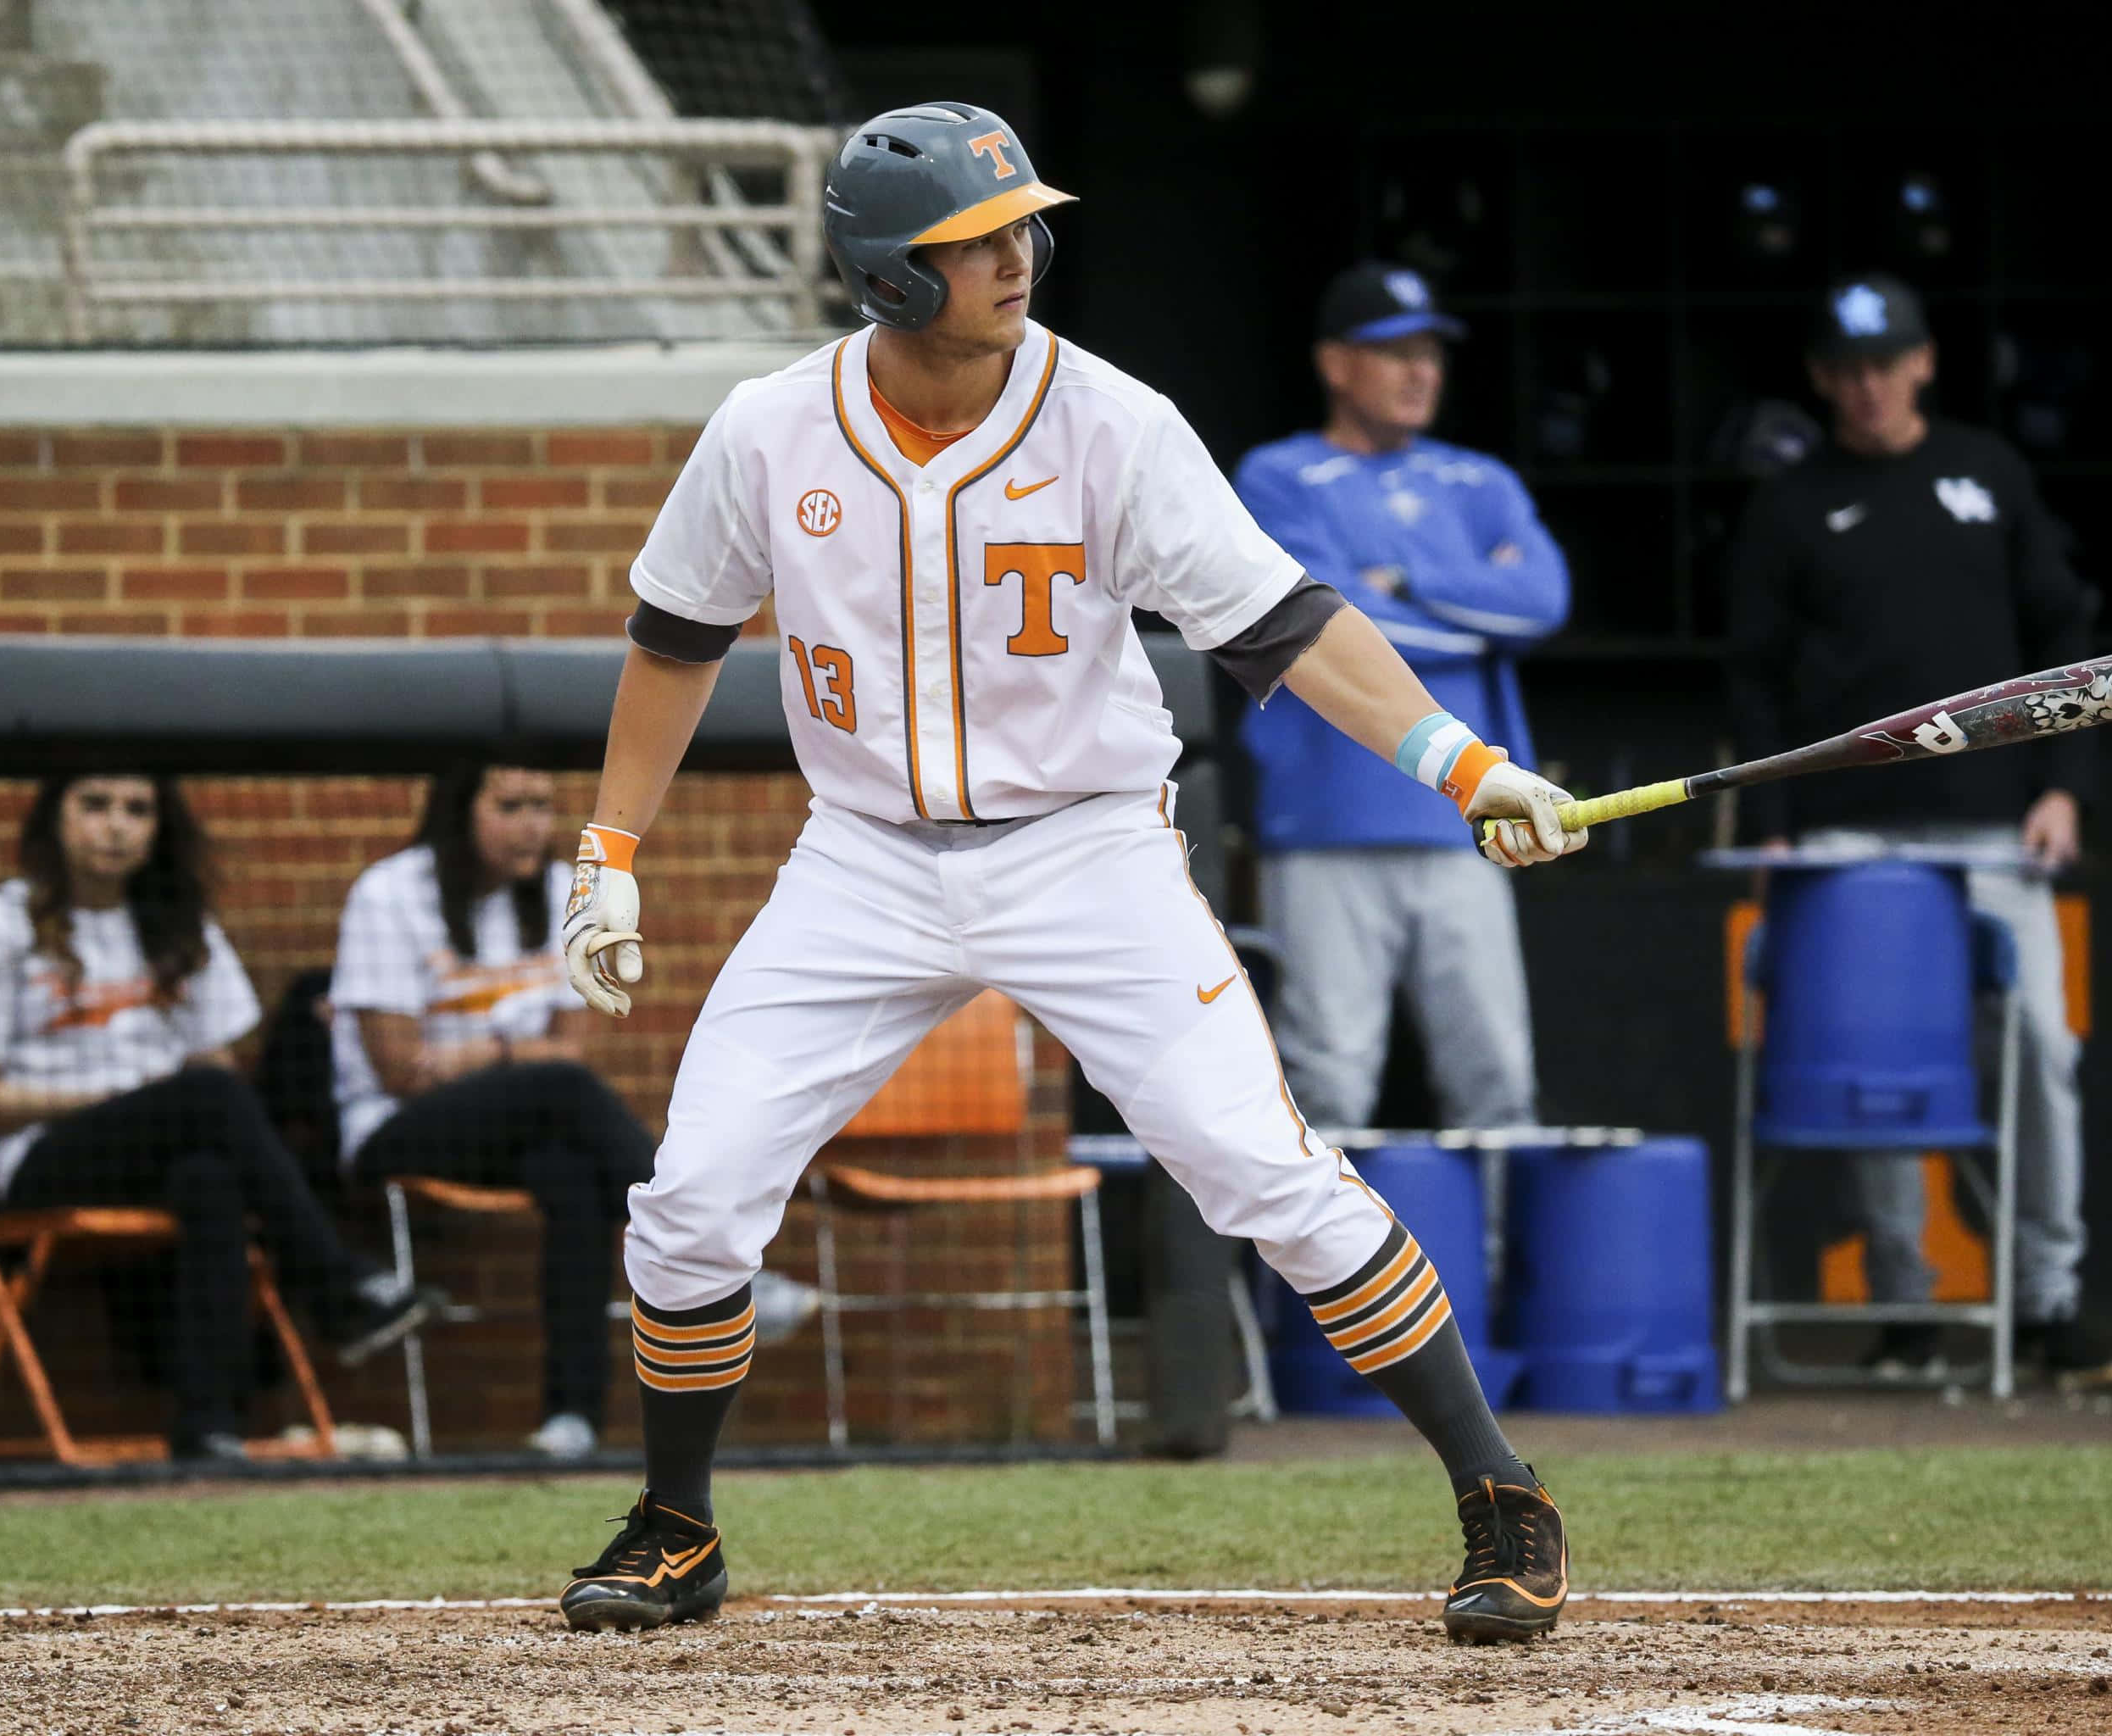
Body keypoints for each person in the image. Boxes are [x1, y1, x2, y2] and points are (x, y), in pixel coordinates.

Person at [551, 101, 1588, 1643]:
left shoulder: (1110, 418)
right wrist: (608, 847)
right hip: (862, 862)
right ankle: (674, 1522)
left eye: (1023, 223)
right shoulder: (769, 426)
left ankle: (1500, 1493)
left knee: (1263, 1170)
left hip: (1081, 846)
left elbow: (1281, 624)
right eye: (976, 240)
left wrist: (1463, 762)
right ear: (890, 275)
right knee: (691, 1201)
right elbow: (677, 634)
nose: (1020, 255)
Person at [1725, 273, 2112, 1393]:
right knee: (1880, 1072)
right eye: (1846, 368)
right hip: (1844, 839)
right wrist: (1770, 826)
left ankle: (2051, 1302)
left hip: (1996, 826)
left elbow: (2067, 644)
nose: (1867, 386)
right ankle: (1906, 1304)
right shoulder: (1791, 501)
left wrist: (2066, 790)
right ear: (1820, 378)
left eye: (1886, 362)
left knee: (2043, 1050)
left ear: (1923, 361)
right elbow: (1752, 680)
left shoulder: (1987, 472)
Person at [0, 774, 438, 1462]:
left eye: (137, 810)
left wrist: (159, 1100)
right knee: (204, 1095)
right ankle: (333, 1282)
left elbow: (222, 1072)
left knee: (210, 1175)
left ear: (158, 830)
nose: (117, 825)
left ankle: (206, 1426)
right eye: (96, 805)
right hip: (44, 1155)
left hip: (163, 1151)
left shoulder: (178, 924)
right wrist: (124, 1096)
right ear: (54, 819)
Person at [329, 763, 820, 1461]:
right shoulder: (390, 895)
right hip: (396, 1130)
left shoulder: (567, 891)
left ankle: (570, 1420)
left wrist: (478, 1055)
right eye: (510, 805)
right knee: (559, 1092)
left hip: (519, 1126)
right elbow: (401, 1069)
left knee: (573, 1175)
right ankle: (722, 1265)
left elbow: (570, 1046)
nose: (533, 823)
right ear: (459, 811)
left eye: (543, 805)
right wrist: (516, 1051)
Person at [1235, 262, 1570, 1132]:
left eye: (1430, 352)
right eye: (1393, 352)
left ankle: (1491, 1272)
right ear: (1336, 364)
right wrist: (1467, 609)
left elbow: (1541, 604)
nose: (1421, 371)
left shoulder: (1480, 482)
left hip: (1468, 821)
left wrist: (1405, 583)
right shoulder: (1278, 476)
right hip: (1326, 821)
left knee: (1497, 1078)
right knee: (1329, 1081)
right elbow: (1319, 623)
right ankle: (1322, 1276)